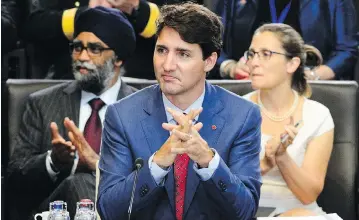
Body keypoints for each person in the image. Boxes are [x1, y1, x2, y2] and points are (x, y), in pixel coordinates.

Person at [93, 3, 262, 220]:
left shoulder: (242, 116)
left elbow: (245, 211)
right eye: (162, 50)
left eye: (183, 54)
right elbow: (109, 211)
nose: (168, 65)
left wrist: (208, 161)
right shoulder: (123, 115)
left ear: (209, 61)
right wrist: (157, 164)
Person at [6, 6, 137, 220]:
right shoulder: (41, 103)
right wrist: (53, 161)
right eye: (77, 47)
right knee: (79, 183)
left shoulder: (140, 107)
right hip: (53, 213)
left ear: (118, 58)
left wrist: (97, 164)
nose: (82, 56)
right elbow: (14, 179)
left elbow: (151, 180)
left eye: (94, 49)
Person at [243, 23, 334, 216]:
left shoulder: (318, 115)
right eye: (251, 54)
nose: (253, 63)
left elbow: (308, 194)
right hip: (246, 211)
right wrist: (265, 164)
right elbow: (223, 187)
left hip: (300, 212)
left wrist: (282, 157)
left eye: (265, 54)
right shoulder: (236, 109)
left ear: (292, 64)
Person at [212, 0, 358, 80]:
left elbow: (347, 50)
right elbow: (211, 43)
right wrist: (230, 67)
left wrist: (314, 76)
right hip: (249, 84)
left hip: (308, 88)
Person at [24, 0, 160, 79]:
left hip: (140, 79)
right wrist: (86, 14)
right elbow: (32, 24)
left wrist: (137, 8)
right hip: (74, 79)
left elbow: (178, 23)